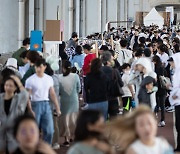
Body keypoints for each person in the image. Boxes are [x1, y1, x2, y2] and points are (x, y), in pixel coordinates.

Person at [107, 105, 173, 154]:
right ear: (135, 128)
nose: (146, 128)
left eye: (149, 123)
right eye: (141, 124)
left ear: (155, 123)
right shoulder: (133, 150)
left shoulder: (162, 143)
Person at [25, 58, 61, 145]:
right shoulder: (30, 80)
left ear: (45, 67)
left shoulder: (49, 79)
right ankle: (34, 148)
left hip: (46, 104)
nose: (38, 69)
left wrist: (57, 107)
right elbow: (27, 97)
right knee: (34, 130)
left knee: (49, 130)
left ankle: (45, 148)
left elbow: (52, 94)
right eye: (37, 67)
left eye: (40, 67)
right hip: (35, 104)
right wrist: (30, 109)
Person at [0, 75, 29, 153]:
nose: (8, 87)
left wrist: (19, 83)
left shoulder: (18, 99)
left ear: (15, 88)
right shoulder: (0, 98)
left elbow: (25, 94)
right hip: (1, 133)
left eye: (11, 86)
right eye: (6, 85)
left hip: (14, 133)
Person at [59, 60, 81, 147]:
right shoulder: (75, 76)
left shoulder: (60, 77)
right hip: (74, 99)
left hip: (64, 100)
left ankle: (66, 139)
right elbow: (79, 89)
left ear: (63, 68)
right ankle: (73, 136)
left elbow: (59, 91)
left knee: (65, 119)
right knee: (73, 118)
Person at [101, 51, 124, 118]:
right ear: (108, 61)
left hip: (102, 98)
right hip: (113, 97)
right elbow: (121, 84)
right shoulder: (115, 71)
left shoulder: (99, 70)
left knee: (103, 118)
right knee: (113, 118)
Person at [168, 53, 180, 152]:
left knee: (179, 125)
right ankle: (179, 145)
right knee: (178, 125)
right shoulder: (176, 73)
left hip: (179, 101)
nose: (171, 65)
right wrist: (170, 87)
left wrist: (177, 95)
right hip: (177, 103)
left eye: (172, 63)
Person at [152, 55, 167, 127]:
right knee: (162, 105)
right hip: (163, 88)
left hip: (156, 88)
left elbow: (154, 79)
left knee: (155, 104)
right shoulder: (163, 68)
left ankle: (154, 119)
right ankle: (162, 120)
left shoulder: (155, 69)